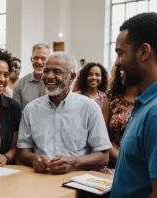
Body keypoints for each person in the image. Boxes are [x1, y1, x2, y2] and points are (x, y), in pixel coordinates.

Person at [17, 52, 112, 175]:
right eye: (46, 71)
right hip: (41, 178)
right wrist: (34, 159)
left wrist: (73, 162)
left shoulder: (90, 108)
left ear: (71, 77)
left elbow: (103, 156)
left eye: (57, 72)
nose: (49, 76)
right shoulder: (31, 109)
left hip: (77, 179)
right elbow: (23, 151)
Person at [110, 12, 157, 197]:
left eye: (121, 53)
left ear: (144, 52)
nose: (117, 62)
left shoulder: (154, 112)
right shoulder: (145, 103)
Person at [101, 64, 139, 169]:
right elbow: (102, 135)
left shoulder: (149, 99)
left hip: (141, 164)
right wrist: (120, 157)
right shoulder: (111, 97)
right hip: (114, 163)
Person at [13, 43, 50, 110]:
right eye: (36, 58)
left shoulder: (57, 83)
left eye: (43, 58)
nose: (39, 62)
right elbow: (15, 113)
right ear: (31, 59)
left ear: (49, 60)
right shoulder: (20, 84)